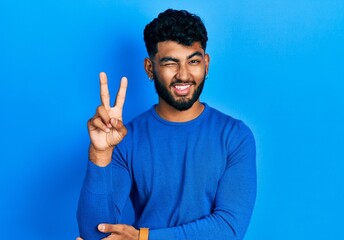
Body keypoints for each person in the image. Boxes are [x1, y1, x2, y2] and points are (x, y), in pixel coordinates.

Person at [77, 9, 256, 240]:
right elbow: (94, 233)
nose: (183, 75)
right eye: (171, 63)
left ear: (206, 64)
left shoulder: (235, 136)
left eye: (193, 61)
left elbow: (229, 230)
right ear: (150, 68)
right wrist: (100, 154)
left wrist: (143, 238)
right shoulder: (124, 139)